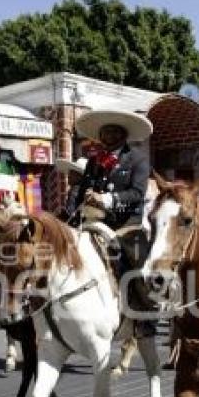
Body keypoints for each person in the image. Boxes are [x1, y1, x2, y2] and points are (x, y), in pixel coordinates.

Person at [64, 110, 157, 337]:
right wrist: (73, 212)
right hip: (92, 220)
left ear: (124, 135)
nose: (109, 135)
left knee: (137, 264)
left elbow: (137, 193)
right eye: (105, 131)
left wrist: (106, 199)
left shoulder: (138, 159)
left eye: (114, 131)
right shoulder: (94, 160)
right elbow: (82, 189)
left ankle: (145, 316)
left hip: (126, 224)